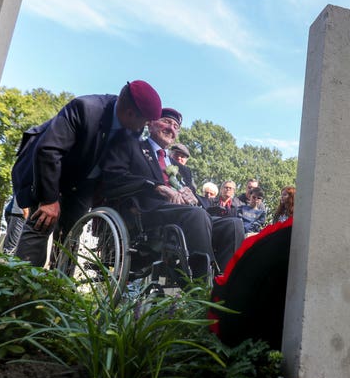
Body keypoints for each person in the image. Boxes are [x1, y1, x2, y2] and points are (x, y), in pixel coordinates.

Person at [12, 80, 162, 267]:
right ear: (130, 113)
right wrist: (49, 200)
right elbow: (49, 151)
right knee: (42, 223)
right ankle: (21, 283)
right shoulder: (86, 109)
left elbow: (122, 169)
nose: (145, 126)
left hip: (84, 185)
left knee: (71, 235)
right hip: (50, 172)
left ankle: (60, 288)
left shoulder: (132, 131)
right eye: (145, 121)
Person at [102, 107, 244, 273]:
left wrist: (194, 197)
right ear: (151, 123)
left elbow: (199, 201)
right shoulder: (132, 147)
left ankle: (225, 284)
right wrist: (156, 187)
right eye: (167, 122)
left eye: (176, 126)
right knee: (196, 215)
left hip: (186, 215)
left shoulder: (182, 168)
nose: (171, 128)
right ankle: (201, 284)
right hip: (147, 213)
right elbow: (113, 176)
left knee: (234, 224)